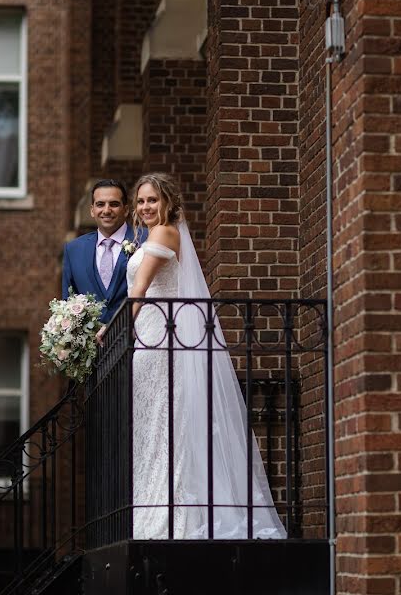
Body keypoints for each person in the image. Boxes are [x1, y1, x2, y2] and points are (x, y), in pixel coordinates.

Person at [126, 173, 286, 540]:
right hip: (149, 337)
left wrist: (116, 331)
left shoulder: (166, 232)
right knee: (152, 428)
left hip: (161, 340)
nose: (146, 207)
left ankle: (171, 517)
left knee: (168, 428)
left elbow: (140, 288)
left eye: (152, 200)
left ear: (167, 202)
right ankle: (152, 507)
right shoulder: (150, 237)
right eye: (140, 201)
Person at [61, 179, 136, 324]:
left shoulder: (145, 240)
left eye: (114, 204)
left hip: (136, 339)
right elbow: (68, 301)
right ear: (92, 210)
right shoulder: (73, 249)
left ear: (126, 210)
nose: (106, 210)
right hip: (92, 344)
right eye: (100, 204)